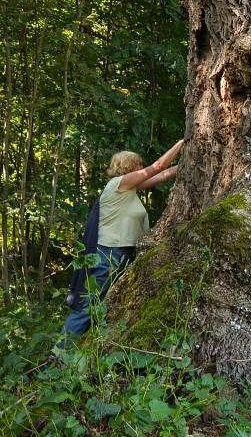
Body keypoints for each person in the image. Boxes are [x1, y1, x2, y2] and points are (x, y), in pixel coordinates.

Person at [60, 139, 185, 341]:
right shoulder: (116, 185)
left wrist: (190, 161)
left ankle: (89, 351)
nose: (142, 167)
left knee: (110, 305)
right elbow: (158, 167)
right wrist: (182, 143)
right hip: (109, 254)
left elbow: (163, 175)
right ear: (129, 167)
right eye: (139, 165)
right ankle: (57, 359)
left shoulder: (129, 191)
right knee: (88, 307)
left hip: (123, 254)